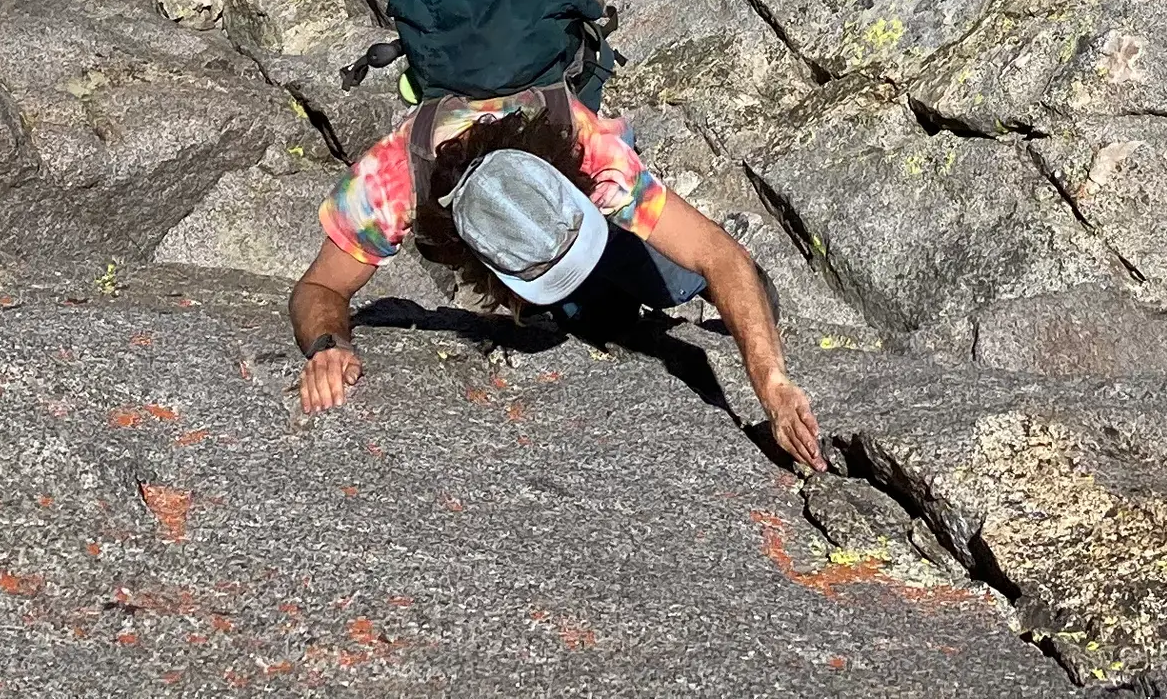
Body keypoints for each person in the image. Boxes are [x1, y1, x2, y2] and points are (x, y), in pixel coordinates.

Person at [289, 79, 825, 472]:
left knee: (678, 280)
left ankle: (651, 274)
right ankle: (583, 300)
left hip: (591, 197)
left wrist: (771, 385)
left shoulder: (592, 152)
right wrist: (328, 344)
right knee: (591, 318)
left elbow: (718, 253)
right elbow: (319, 288)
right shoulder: (389, 185)